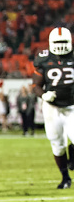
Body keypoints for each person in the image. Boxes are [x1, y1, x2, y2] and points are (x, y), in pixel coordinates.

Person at [32, 26, 74, 189]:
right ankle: (65, 178)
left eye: (64, 41)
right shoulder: (43, 58)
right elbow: (36, 85)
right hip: (52, 108)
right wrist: (43, 95)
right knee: (57, 144)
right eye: (58, 42)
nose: (61, 45)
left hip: (72, 106)